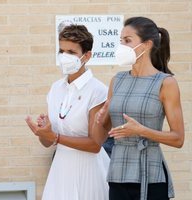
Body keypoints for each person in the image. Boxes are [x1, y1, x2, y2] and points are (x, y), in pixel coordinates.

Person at [93, 16, 185, 200]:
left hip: (150, 174)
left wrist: (141, 130)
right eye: (121, 41)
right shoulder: (117, 80)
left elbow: (178, 139)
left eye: (127, 41)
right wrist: (101, 118)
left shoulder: (166, 83)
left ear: (146, 44)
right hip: (118, 173)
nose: (122, 46)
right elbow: (102, 133)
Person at [25, 24, 110, 200]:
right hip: (60, 170)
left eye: (71, 52)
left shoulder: (98, 91)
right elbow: (47, 143)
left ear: (86, 56)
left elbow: (95, 144)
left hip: (89, 172)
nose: (65, 57)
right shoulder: (56, 88)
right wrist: (44, 132)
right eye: (62, 51)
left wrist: (56, 137)